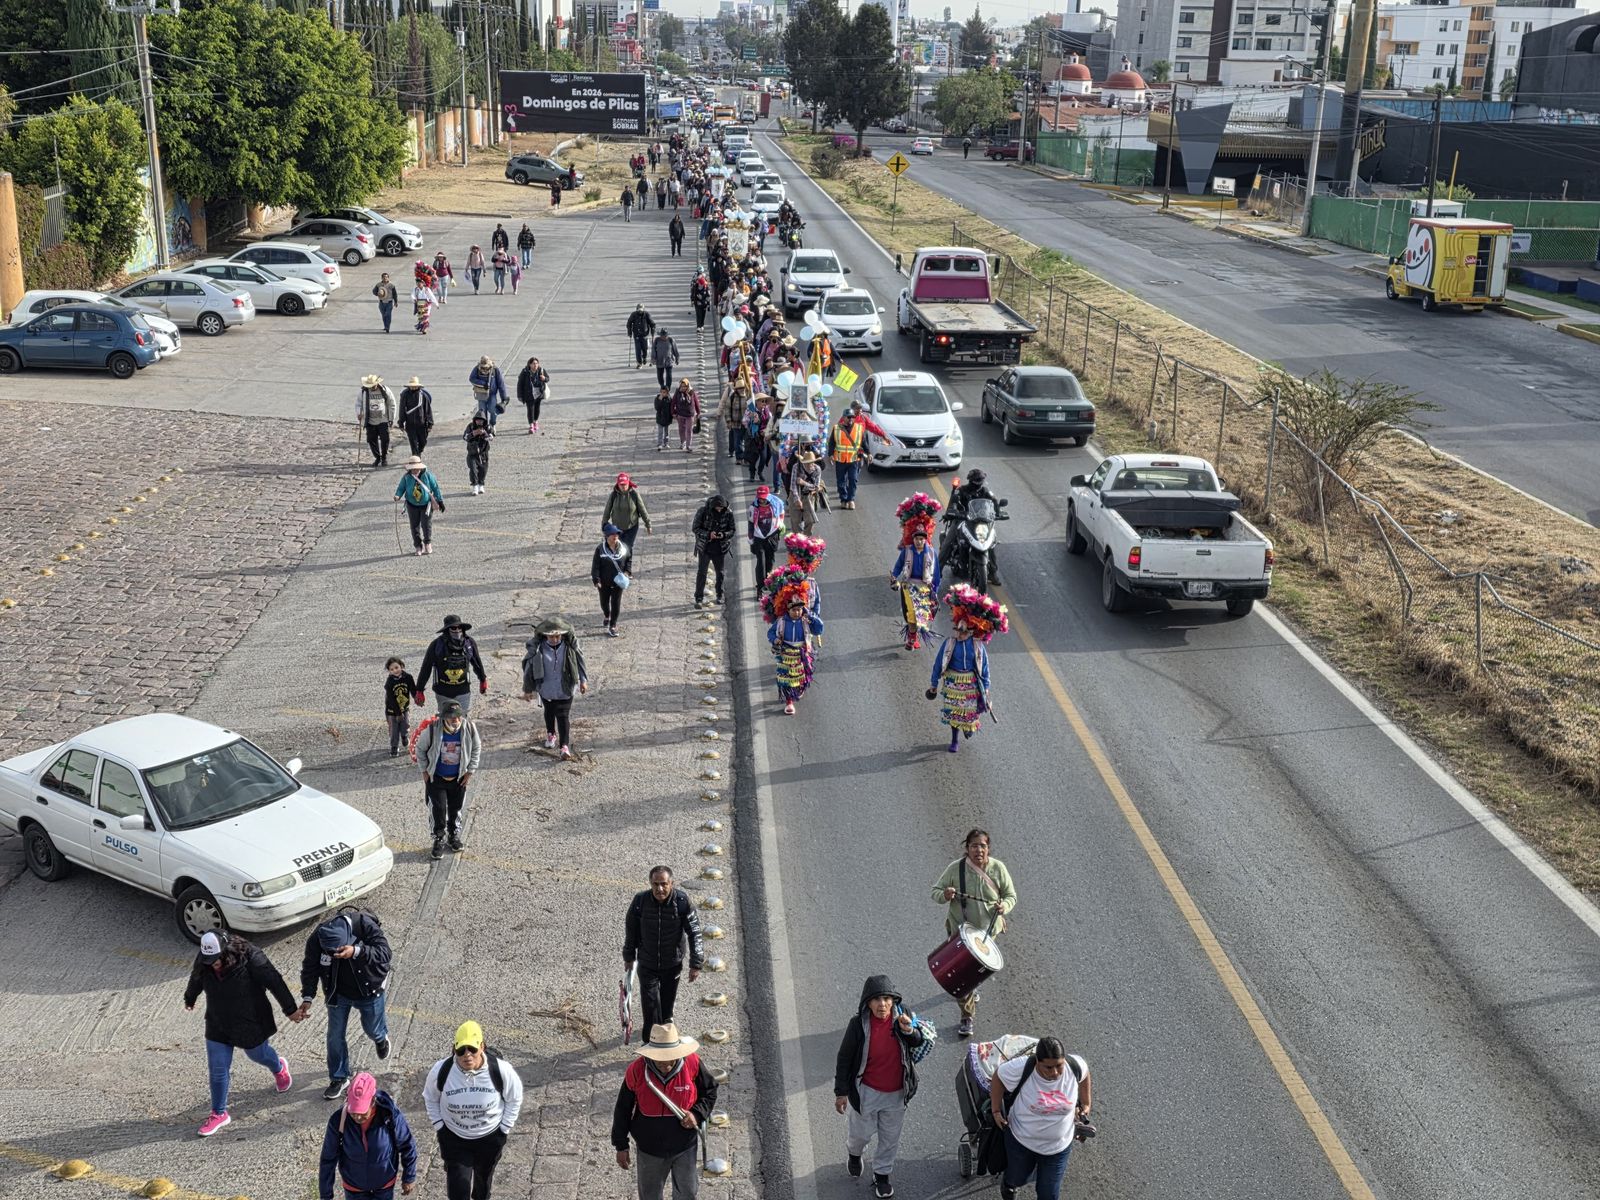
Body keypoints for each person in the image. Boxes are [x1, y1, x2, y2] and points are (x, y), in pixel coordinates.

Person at [183, 930, 299, 1137]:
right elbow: (196, 977)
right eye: (208, 961)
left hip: (250, 1019)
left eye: (216, 960)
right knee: (217, 1068)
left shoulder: (250, 956)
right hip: (218, 1020)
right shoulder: (205, 959)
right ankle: (219, 1113)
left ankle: (279, 1067)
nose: (212, 964)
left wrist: (290, 1009)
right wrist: (190, 997)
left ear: (225, 950)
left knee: (257, 1054)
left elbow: (274, 980)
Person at [832, 976, 927, 1200]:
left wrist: (908, 1031)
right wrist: (841, 1092)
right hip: (866, 1092)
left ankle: (882, 1176)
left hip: (896, 1095)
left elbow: (918, 1040)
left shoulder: (904, 1015)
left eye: (886, 998)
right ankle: (854, 1155)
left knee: (890, 1138)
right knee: (860, 1135)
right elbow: (844, 1057)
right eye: (876, 999)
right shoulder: (857, 1025)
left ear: (893, 1001)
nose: (882, 1004)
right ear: (867, 1003)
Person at [611, 1024, 718, 1200]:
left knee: (688, 1192)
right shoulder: (636, 1071)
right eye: (660, 1058)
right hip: (649, 1149)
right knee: (650, 1196)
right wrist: (621, 1145)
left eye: (671, 1058)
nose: (666, 1064)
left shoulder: (693, 1063)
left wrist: (697, 1114)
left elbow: (710, 1091)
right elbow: (623, 1109)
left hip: (685, 1145)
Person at [296, 909, 393, 1101]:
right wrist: (308, 997)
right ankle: (339, 1078)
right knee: (334, 1035)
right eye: (330, 953)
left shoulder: (364, 925)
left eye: (338, 951)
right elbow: (310, 967)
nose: (334, 955)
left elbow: (385, 953)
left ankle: (381, 1038)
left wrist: (356, 951)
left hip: (368, 990)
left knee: (372, 1028)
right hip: (337, 993)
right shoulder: (318, 937)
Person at [930, 829, 1017, 1037]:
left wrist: (1004, 906)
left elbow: (1010, 895)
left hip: (987, 933)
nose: (979, 850)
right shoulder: (955, 869)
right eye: (974, 846)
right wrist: (945, 894)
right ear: (967, 848)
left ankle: (971, 988)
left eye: (983, 846)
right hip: (961, 933)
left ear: (988, 848)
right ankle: (967, 1015)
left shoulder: (998, 869)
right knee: (963, 973)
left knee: (978, 970)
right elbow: (935, 892)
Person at [423, 1021, 524, 1200]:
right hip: (455, 1139)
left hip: (489, 1138)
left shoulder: (501, 1070)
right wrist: (439, 1126)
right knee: (458, 1188)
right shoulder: (441, 1071)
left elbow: (514, 1098)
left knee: (483, 1183)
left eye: (472, 1049)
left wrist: (504, 1128)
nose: (467, 1055)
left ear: (482, 1047)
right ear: (454, 1049)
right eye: (461, 1050)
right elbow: (430, 1098)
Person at [990, 1037, 1091, 1200]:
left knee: (1049, 1194)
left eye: (1059, 1065)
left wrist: (1086, 1104)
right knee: (1018, 1178)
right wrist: (996, 1111)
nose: (1055, 1072)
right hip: (1021, 1142)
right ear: (1037, 1061)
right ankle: (1009, 1183)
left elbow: (1085, 1075)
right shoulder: (1021, 1068)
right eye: (1048, 1067)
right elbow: (998, 1077)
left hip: (1058, 1147)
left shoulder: (1075, 1066)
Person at [622, 867, 705, 1035]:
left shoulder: (682, 902)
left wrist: (696, 964)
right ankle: (649, 1043)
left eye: (664, 884)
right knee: (650, 1006)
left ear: (671, 883)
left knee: (666, 1007)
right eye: (655, 884)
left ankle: (666, 1032)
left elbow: (695, 933)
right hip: (647, 963)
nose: (660, 889)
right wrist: (628, 957)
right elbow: (631, 930)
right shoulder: (640, 902)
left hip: (672, 964)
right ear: (650, 884)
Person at [928, 584, 1006, 753]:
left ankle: (968, 727)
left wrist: (985, 688)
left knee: (969, 715)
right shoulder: (949, 644)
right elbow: (938, 663)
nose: (959, 634)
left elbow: (984, 668)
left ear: (970, 631)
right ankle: (954, 740)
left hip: (970, 684)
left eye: (962, 632)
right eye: (957, 630)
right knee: (955, 714)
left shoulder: (978, 647)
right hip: (952, 683)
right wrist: (933, 684)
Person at [319, 1071, 418, 1200]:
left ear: (373, 1101)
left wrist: (409, 1176)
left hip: (384, 1186)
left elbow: (407, 1145)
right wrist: (326, 1194)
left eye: (362, 1111)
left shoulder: (389, 1115)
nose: (358, 1117)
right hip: (354, 1188)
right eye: (353, 1112)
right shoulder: (338, 1120)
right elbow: (328, 1158)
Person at [416, 698, 481, 859]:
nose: (456, 720)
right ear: (444, 717)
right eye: (452, 717)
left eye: (458, 716)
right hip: (436, 778)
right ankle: (438, 838)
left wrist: (470, 771)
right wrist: (424, 771)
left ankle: (453, 835)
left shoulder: (469, 728)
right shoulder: (432, 730)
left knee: (455, 808)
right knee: (438, 810)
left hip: (459, 778)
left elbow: (476, 748)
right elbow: (420, 749)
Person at [519, 615, 589, 760]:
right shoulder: (537, 650)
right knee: (549, 712)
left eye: (558, 636)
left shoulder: (570, 647)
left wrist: (583, 680)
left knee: (563, 716)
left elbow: (580, 662)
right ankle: (551, 733)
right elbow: (528, 670)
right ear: (545, 636)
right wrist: (527, 690)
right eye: (551, 637)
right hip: (546, 689)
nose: (555, 639)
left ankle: (564, 746)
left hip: (566, 688)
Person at [890, 494, 944, 650]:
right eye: (916, 538)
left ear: (926, 539)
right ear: (912, 539)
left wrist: (935, 590)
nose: (919, 541)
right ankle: (912, 640)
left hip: (925, 588)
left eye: (922, 539)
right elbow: (898, 566)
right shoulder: (906, 551)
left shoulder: (932, 553)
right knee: (912, 615)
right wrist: (894, 576)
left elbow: (937, 574)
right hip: (909, 586)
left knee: (921, 617)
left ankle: (914, 637)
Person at [766, 581, 823, 716]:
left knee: (800, 677)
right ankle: (789, 701)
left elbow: (819, 629)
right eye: (794, 610)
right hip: (785, 653)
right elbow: (770, 633)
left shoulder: (806, 621)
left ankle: (798, 689)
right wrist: (775, 639)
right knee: (786, 679)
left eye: (799, 609)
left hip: (802, 653)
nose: (797, 612)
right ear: (788, 610)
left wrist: (811, 616)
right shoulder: (781, 621)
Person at [942, 469, 1006, 586]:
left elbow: (995, 502)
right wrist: (952, 512)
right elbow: (952, 504)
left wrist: (998, 513)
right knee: (948, 542)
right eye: (976, 481)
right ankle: (937, 572)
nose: (978, 483)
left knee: (991, 544)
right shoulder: (961, 491)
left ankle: (993, 573)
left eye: (980, 480)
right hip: (962, 520)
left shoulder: (986, 491)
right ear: (970, 480)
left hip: (981, 522)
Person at [416, 614, 488, 716]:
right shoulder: (437, 645)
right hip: (443, 692)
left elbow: (477, 662)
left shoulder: (469, 643)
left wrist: (482, 679)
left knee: (462, 719)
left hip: (463, 690)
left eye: (459, 627)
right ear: (447, 630)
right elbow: (426, 667)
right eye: (453, 628)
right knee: (445, 719)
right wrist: (419, 689)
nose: (457, 630)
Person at [393, 455, 445, 556]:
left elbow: (435, 488)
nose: (415, 470)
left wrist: (440, 501)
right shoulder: (406, 477)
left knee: (426, 525)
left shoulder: (428, 475)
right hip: (412, 504)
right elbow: (401, 488)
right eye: (413, 469)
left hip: (426, 505)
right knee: (414, 526)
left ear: (421, 467)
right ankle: (418, 546)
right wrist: (397, 495)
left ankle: (427, 543)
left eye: (417, 468)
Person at [691, 494, 735, 607]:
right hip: (705, 547)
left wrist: (723, 535)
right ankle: (699, 597)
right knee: (702, 572)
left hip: (720, 548)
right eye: (717, 508)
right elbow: (695, 528)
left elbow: (732, 530)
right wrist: (708, 534)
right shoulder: (703, 511)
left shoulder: (728, 513)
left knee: (720, 573)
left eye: (721, 508)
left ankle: (720, 594)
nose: (719, 510)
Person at [593, 524, 631, 638]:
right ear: (607, 536)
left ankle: (613, 625)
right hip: (604, 583)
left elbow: (629, 560)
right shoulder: (600, 549)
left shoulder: (624, 548)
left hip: (618, 583)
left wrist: (627, 572)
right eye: (612, 534)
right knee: (604, 602)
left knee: (616, 603)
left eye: (617, 534)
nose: (615, 536)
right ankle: (606, 614)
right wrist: (596, 579)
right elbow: (595, 566)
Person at [602, 472, 653, 553]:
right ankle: (619, 564)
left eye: (625, 484)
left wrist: (648, 524)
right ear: (618, 485)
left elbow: (643, 510)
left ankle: (627, 565)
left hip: (631, 527)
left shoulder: (634, 495)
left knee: (627, 547)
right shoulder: (614, 495)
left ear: (628, 483)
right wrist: (604, 525)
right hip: (617, 528)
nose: (623, 486)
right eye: (621, 485)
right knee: (618, 547)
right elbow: (607, 511)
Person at [827, 411, 866, 510]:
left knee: (853, 480)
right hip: (840, 459)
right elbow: (832, 442)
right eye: (849, 417)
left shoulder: (859, 428)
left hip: (853, 460)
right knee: (841, 481)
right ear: (843, 417)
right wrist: (830, 454)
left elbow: (863, 442)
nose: (851, 419)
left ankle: (851, 499)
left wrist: (869, 453)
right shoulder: (836, 428)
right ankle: (843, 499)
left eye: (852, 417)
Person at [747, 484, 785, 583]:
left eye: (763, 498)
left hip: (772, 536)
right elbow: (751, 523)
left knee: (770, 561)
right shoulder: (753, 507)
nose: (761, 501)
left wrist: (780, 523)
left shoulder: (776, 503)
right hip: (758, 537)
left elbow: (781, 513)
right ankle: (760, 587)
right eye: (760, 498)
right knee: (761, 562)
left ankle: (768, 583)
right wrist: (751, 539)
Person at [358, 374, 396, 467]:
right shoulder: (364, 392)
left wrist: (391, 418)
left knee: (385, 439)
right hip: (370, 421)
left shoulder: (385, 390)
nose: (371, 387)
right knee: (371, 440)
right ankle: (377, 457)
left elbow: (392, 403)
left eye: (373, 385)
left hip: (383, 420)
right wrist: (359, 413)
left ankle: (384, 458)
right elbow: (359, 403)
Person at [383, 656, 417, 758]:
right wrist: (398, 713)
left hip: (404, 708)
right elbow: (391, 700)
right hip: (392, 711)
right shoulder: (389, 682)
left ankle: (404, 736)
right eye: (392, 669)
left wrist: (417, 698)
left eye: (396, 667)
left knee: (405, 725)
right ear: (389, 671)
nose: (395, 670)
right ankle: (394, 746)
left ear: (401, 666)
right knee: (394, 730)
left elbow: (412, 689)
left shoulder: (408, 677)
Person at [789, 447, 825, 536]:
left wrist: (804, 483)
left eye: (811, 463)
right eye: (807, 463)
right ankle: (797, 541)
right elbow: (793, 485)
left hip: (809, 496)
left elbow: (816, 487)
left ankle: (806, 540)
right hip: (795, 494)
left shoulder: (817, 469)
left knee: (810, 521)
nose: (809, 465)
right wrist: (797, 499)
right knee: (795, 521)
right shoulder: (796, 467)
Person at [468, 356, 508, 430]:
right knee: (482, 411)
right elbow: (471, 378)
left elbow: (501, 384)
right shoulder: (477, 368)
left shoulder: (495, 370)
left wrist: (504, 398)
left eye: (486, 367)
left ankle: (492, 424)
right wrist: (483, 383)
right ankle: (484, 427)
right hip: (481, 394)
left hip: (492, 394)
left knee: (492, 409)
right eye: (483, 367)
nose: (484, 369)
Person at [398, 376, 434, 456]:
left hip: (422, 424)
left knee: (423, 442)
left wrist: (430, 423)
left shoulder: (423, 396)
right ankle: (416, 458)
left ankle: (418, 452)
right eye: (412, 386)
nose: (413, 387)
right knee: (413, 443)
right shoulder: (405, 395)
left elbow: (428, 410)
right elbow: (402, 409)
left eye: (415, 386)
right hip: (410, 424)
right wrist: (401, 422)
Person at [463, 412, 494, 496]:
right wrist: (473, 434)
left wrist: (484, 434)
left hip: (484, 453)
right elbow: (465, 437)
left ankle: (481, 485)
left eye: (481, 421)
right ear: (475, 420)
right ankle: (475, 486)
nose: (479, 422)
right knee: (473, 470)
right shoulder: (470, 426)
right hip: (472, 453)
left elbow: (491, 437)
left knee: (483, 470)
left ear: (484, 421)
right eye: (478, 420)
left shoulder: (487, 427)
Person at [517, 356, 549, 434]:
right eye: (533, 363)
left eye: (536, 363)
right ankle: (531, 425)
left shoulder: (541, 370)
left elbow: (548, 379)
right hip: (528, 394)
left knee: (537, 409)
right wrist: (519, 395)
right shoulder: (524, 372)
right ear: (530, 364)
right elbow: (520, 384)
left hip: (538, 394)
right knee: (530, 409)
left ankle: (535, 421)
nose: (535, 365)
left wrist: (544, 378)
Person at [671, 377, 700, 451]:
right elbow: (673, 401)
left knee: (689, 430)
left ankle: (688, 445)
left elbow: (696, 402)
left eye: (685, 386)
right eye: (682, 386)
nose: (683, 388)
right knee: (681, 429)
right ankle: (682, 442)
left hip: (690, 414)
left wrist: (698, 412)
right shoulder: (678, 391)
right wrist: (673, 412)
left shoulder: (691, 392)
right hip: (680, 413)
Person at [654, 385, 675, 451]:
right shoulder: (657, 398)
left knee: (666, 432)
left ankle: (666, 443)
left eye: (664, 392)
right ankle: (660, 444)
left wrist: (672, 415)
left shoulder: (669, 399)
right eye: (662, 392)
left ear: (667, 393)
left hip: (667, 418)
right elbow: (657, 408)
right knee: (660, 432)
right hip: (660, 418)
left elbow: (671, 408)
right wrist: (660, 400)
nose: (663, 394)